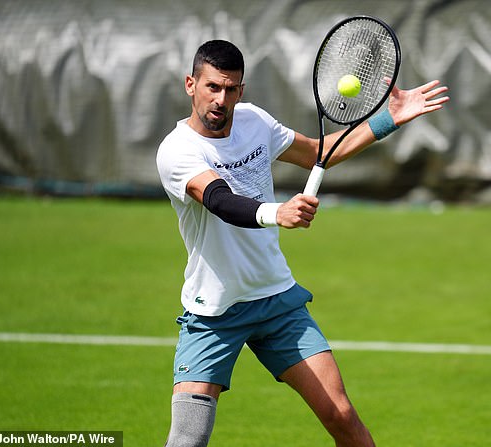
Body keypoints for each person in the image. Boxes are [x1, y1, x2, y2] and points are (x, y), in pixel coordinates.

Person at [156, 39, 449, 447]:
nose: (221, 99)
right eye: (212, 87)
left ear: (242, 90)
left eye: (231, 89)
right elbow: (220, 201)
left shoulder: (254, 122)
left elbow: (317, 151)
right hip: (215, 311)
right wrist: (277, 212)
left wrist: (389, 119)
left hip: (277, 300)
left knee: (342, 416)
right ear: (191, 84)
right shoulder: (177, 151)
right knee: (188, 438)